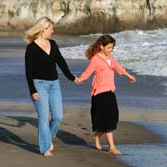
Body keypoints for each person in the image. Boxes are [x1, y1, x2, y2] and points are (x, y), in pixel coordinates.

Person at [24, 16, 78, 156]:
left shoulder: (53, 44)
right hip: (39, 84)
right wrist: (32, 90)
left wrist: (72, 77)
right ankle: (45, 148)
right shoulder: (31, 48)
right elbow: (28, 71)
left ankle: (48, 137)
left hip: (54, 84)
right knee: (43, 117)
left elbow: (61, 61)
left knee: (58, 116)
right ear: (43, 29)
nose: (53, 31)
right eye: (51, 28)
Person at [76, 35, 136, 155]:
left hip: (110, 90)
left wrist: (128, 75)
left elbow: (117, 67)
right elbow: (88, 72)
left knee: (113, 118)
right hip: (99, 92)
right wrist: (80, 79)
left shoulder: (110, 57)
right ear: (101, 46)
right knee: (108, 119)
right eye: (108, 48)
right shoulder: (95, 59)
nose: (110, 50)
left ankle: (97, 136)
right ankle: (112, 147)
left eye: (112, 48)